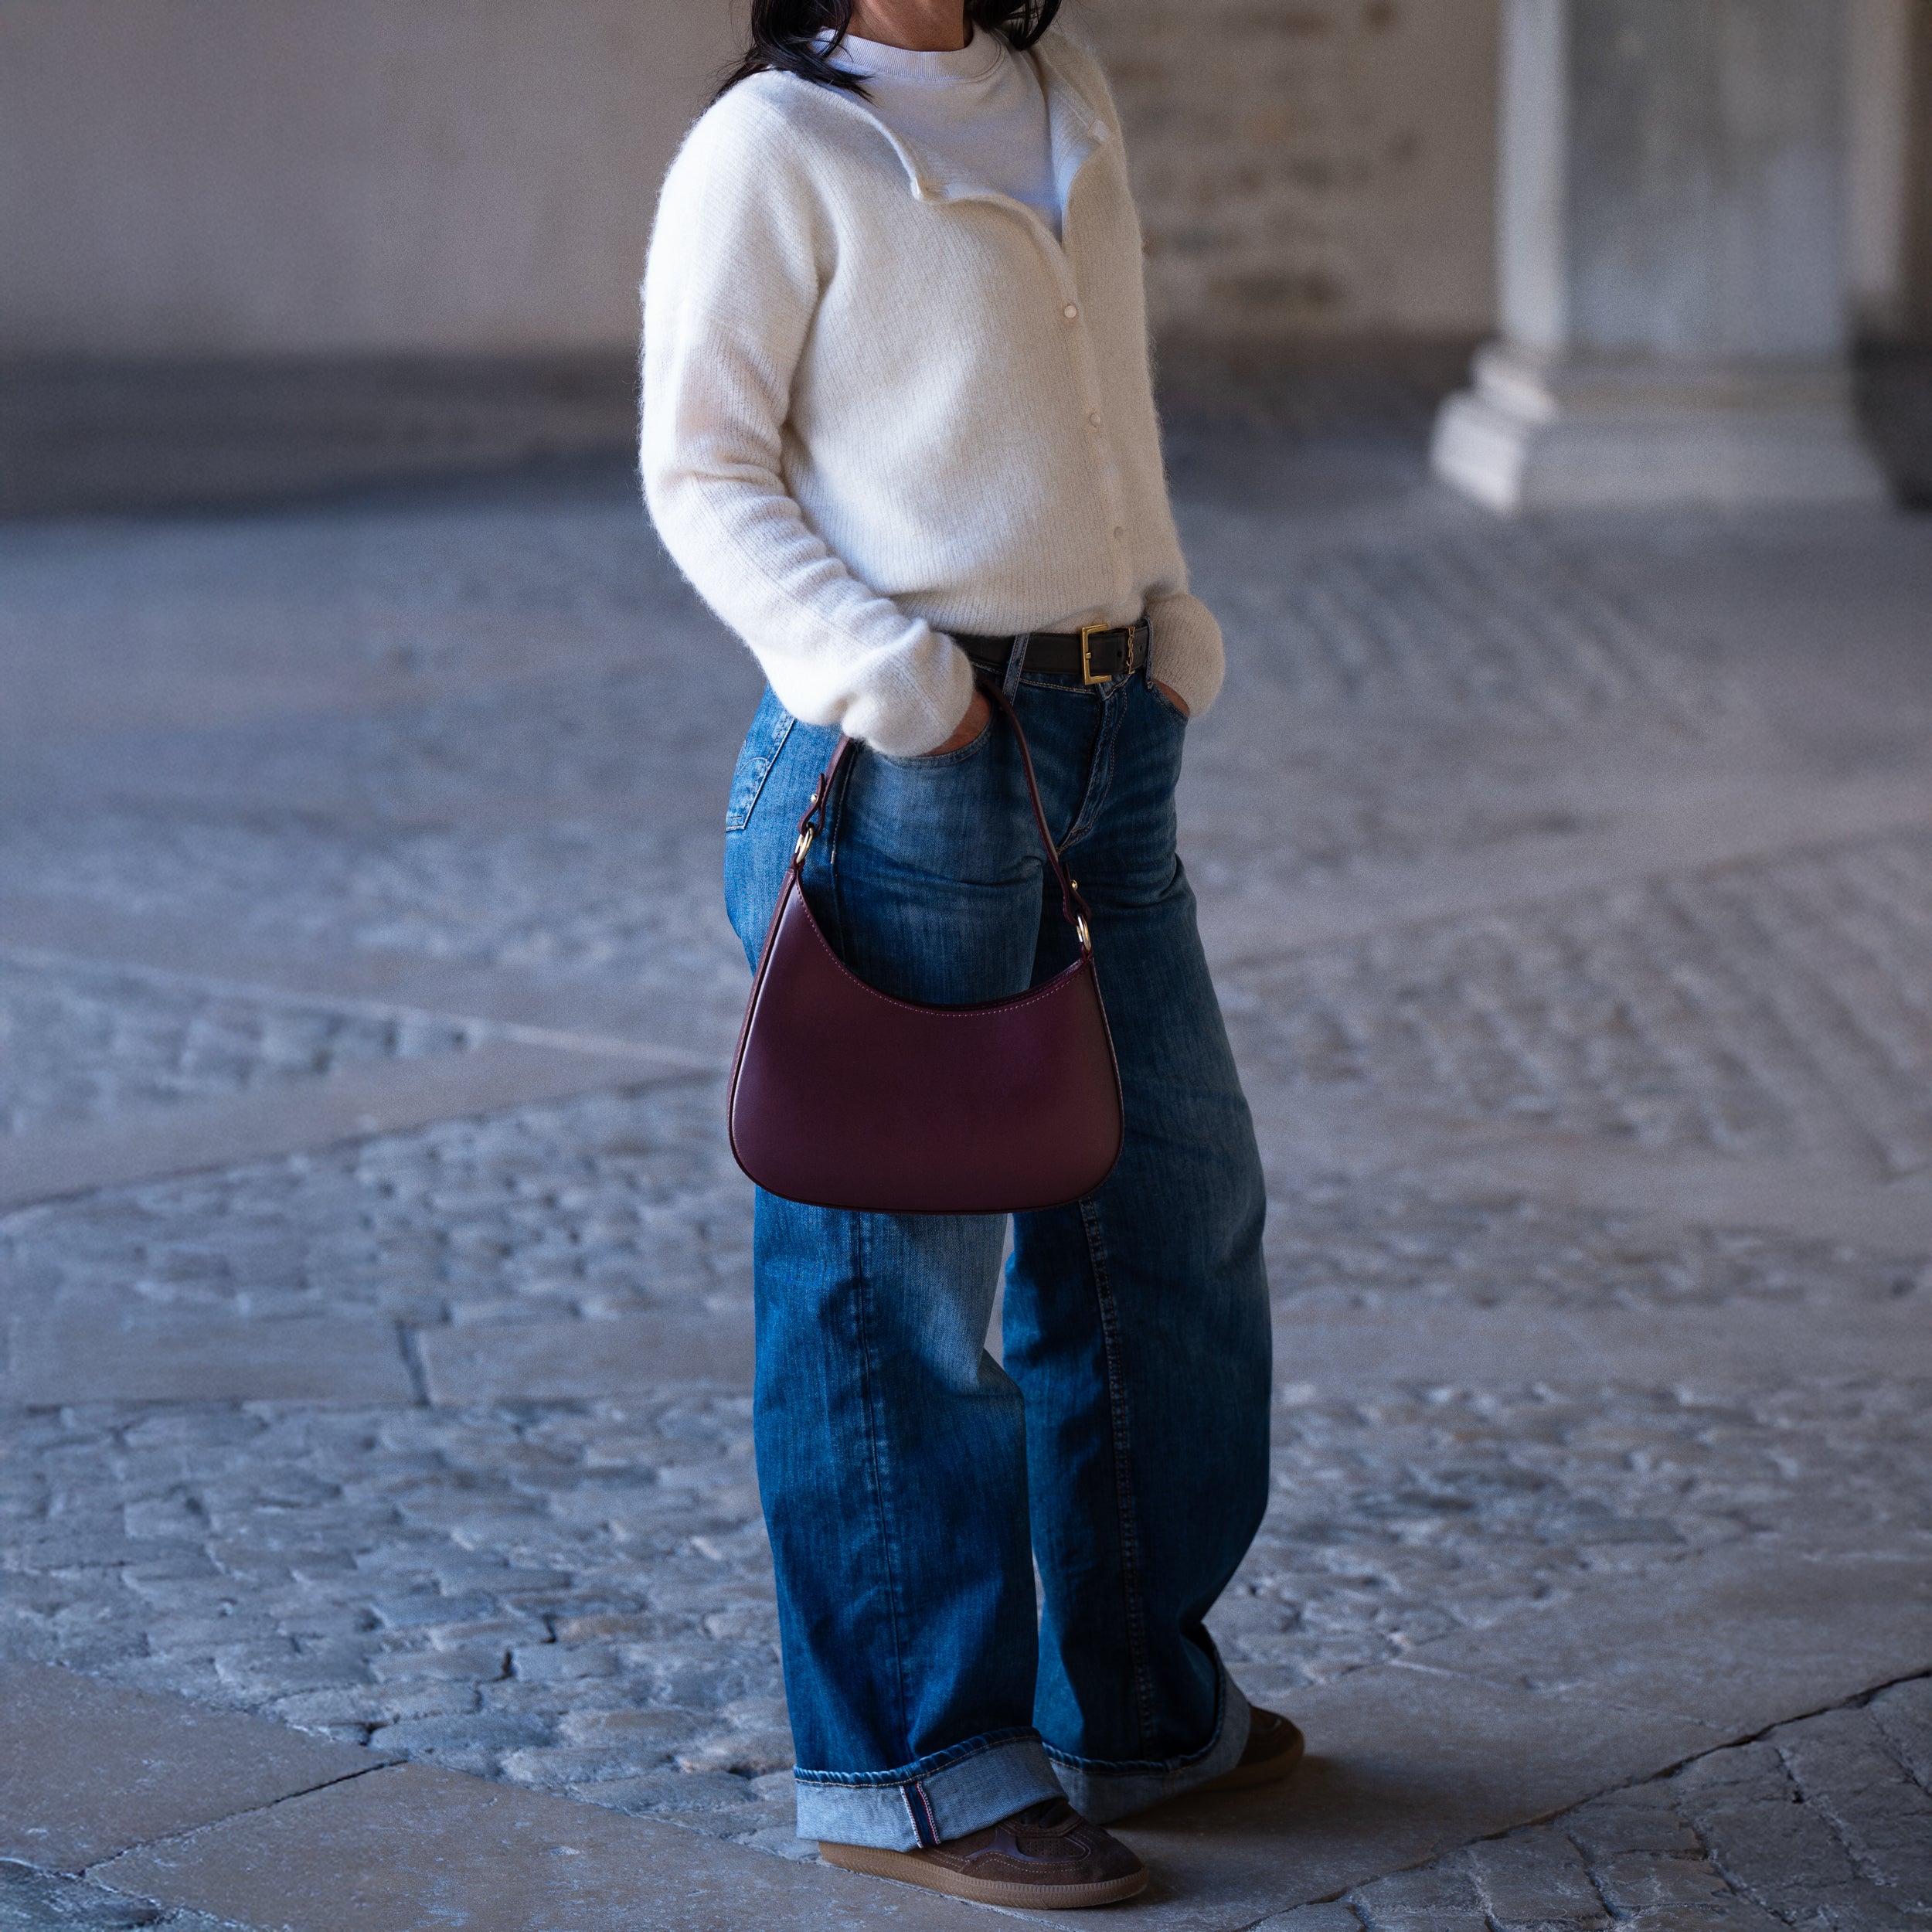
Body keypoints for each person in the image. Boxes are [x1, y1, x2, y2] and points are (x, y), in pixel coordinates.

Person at [641, 0, 1297, 1907]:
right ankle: (919, 1765)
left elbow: (1102, 390)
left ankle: (1136, 1700)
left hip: (1109, 738)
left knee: (1172, 1227)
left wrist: (1160, 602)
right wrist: (893, 682)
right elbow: (705, 469)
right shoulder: (774, 144)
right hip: (905, 765)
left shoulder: (1053, 81)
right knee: (892, 1294)